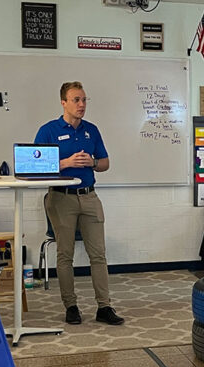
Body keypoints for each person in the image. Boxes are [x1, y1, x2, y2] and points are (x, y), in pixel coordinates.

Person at [34, 81, 123, 325]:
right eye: (76, 100)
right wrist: (66, 162)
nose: (81, 104)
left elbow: (105, 163)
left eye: (84, 100)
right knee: (65, 254)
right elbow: (34, 166)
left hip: (89, 196)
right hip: (61, 198)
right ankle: (71, 306)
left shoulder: (91, 130)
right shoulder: (48, 130)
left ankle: (104, 307)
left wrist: (92, 163)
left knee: (99, 255)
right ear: (63, 102)